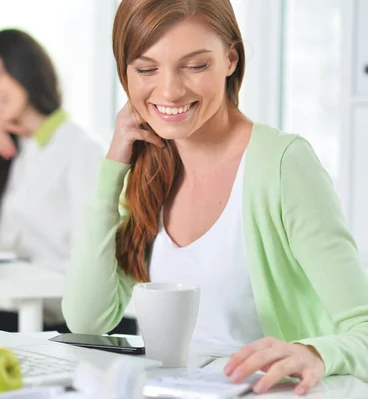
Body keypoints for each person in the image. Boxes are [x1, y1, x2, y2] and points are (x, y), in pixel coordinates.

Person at [62, 0, 368, 395]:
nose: (170, 90)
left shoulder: (283, 164)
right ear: (125, 73)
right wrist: (114, 166)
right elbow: (87, 321)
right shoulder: (146, 171)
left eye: (195, 65)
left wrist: (316, 353)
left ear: (231, 60)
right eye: (147, 69)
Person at [0, 29, 132, 333]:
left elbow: (92, 268)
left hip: (56, 321)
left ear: (26, 69)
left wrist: (4, 260)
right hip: (11, 310)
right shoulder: (3, 155)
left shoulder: (80, 149)